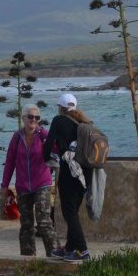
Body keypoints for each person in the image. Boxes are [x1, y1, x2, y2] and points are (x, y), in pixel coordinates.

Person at [0, 104, 55, 257]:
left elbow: (56, 148)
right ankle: (28, 258)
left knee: (44, 221)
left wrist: (45, 133)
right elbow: (10, 161)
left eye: (37, 117)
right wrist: (4, 185)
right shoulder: (17, 137)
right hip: (23, 186)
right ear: (23, 118)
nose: (34, 120)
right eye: (30, 116)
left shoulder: (43, 135)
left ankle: (55, 254)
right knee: (26, 224)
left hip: (42, 183)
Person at [45, 93, 92, 262]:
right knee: (73, 211)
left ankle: (83, 250)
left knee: (69, 212)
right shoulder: (84, 122)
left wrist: (45, 160)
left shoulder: (59, 120)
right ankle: (70, 248)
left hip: (69, 173)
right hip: (85, 174)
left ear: (60, 107)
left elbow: (49, 144)